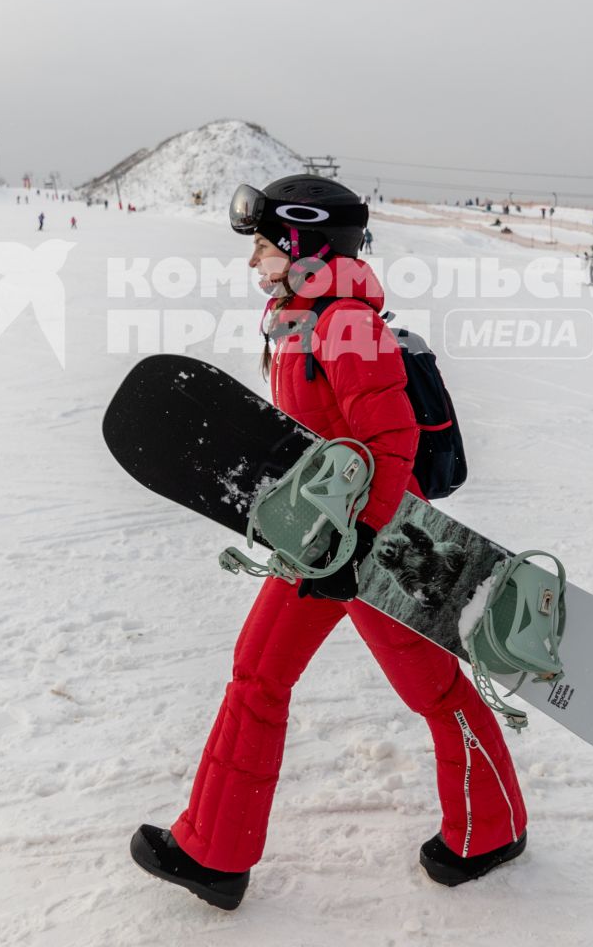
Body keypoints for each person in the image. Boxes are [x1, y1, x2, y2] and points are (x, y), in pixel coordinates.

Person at [131, 175, 528, 911]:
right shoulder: (301, 318)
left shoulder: (348, 323)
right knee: (272, 675)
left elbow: (392, 435)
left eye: (263, 247)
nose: (254, 263)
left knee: (407, 687)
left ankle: (488, 830)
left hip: (367, 544)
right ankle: (215, 851)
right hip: (330, 541)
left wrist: (361, 543)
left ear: (305, 247)